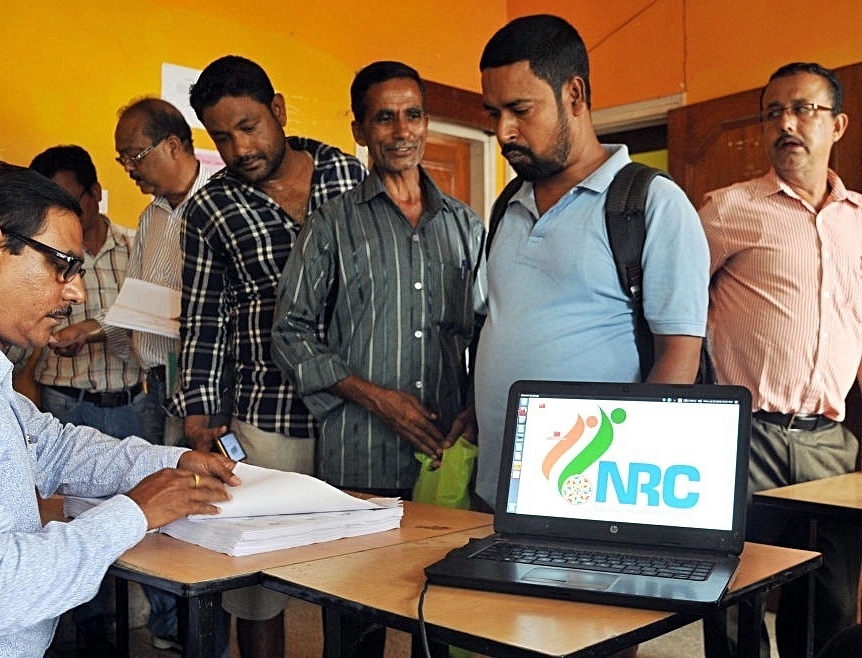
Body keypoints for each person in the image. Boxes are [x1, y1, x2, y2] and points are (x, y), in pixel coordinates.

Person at [0, 162, 239, 657]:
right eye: (62, 266)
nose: (77, 293)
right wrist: (132, 514)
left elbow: (50, 445)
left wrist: (168, 464)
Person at [271, 59, 485, 658]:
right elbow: (289, 333)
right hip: (359, 454)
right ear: (360, 130)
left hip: (443, 454)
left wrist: (475, 403)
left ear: (426, 121)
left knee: (437, 614)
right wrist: (377, 398)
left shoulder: (467, 227)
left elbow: (488, 327)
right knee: (355, 619)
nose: (401, 131)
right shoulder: (330, 226)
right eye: (384, 118)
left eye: (412, 114)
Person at [169, 55, 366, 658]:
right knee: (257, 586)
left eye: (249, 126)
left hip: (356, 411)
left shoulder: (348, 175)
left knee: (360, 574)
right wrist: (199, 415)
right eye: (221, 137)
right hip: (267, 415)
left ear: (278, 110)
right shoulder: (211, 209)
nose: (239, 148)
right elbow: (202, 319)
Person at [474, 14, 710, 508]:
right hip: (494, 486)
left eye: (520, 109)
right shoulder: (507, 205)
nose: (503, 132)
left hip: (588, 492)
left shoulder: (651, 204)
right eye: (493, 113)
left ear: (574, 95)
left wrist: (618, 486)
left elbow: (678, 356)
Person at [699, 62, 862, 658]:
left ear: (838, 125)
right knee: (737, 596)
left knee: (831, 604)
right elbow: (674, 308)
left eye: (803, 110)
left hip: (833, 446)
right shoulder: (726, 209)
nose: (786, 124)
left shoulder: (860, 224)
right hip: (747, 438)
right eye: (773, 112)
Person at [27, 144, 144, 652]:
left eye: (71, 199)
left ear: (95, 193)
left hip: (130, 404)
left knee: (142, 519)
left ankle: (148, 625)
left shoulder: (139, 249)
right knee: (78, 523)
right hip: (64, 405)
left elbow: (154, 329)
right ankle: (91, 630)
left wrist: (95, 332)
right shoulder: (39, 256)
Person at [113, 97, 212, 650]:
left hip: (200, 387)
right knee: (158, 509)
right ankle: (174, 628)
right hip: (156, 383)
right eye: (123, 158)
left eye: (135, 155)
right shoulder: (150, 220)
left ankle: (207, 637)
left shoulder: (219, 205)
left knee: (201, 511)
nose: (129, 168)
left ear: (174, 146)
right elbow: (136, 300)